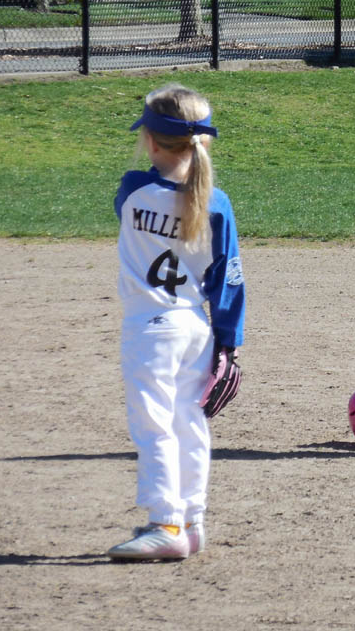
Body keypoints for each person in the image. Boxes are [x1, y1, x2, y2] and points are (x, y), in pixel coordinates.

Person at [108, 84, 245, 560]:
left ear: (149, 140)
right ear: (203, 143)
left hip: (150, 329)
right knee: (188, 423)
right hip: (196, 328)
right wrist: (229, 345)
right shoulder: (218, 203)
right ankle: (191, 521)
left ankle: (164, 522)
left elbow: (147, 195)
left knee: (154, 427)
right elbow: (228, 280)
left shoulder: (132, 189)